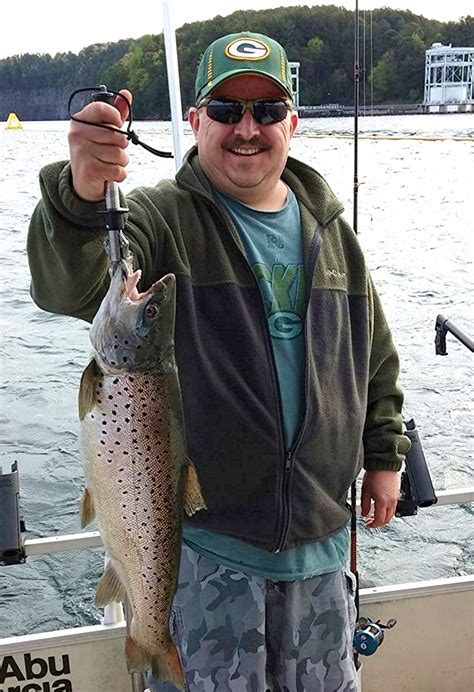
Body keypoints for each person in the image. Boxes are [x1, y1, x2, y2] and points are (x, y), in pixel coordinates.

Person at [28, 31, 410, 692]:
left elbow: (372, 354)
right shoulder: (158, 217)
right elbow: (71, 286)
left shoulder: (333, 233)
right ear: (196, 119)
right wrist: (82, 192)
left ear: (291, 121)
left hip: (322, 548)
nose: (247, 128)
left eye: (265, 110)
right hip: (209, 554)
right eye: (227, 109)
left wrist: (384, 455)